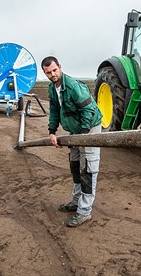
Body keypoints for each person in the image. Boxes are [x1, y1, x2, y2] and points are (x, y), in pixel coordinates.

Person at [41, 56, 103, 227]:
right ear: (45, 73)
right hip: (75, 130)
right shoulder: (52, 89)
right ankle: (76, 202)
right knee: (75, 166)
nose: (53, 74)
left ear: (60, 67)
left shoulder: (74, 86)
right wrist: (52, 132)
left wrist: (82, 136)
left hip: (89, 128)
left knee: (88, 169)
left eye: (54, 70)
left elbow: (88, 111)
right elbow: (54, 110)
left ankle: (84, 212)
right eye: (48, 73)